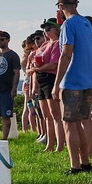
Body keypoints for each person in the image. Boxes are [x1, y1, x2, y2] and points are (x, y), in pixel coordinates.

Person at [55, 0, 92, 174]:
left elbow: (66, 53)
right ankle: (85, 162)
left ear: (61, 7)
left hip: (71, 81)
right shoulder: (86, 23)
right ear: (76, 4)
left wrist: (56, 84)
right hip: (87, 81)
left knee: (69, 124)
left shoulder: (68, 24)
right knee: (80, 121)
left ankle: (75, 166)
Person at [32, 19, 65, 152]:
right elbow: (36, 59)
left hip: (50, 77)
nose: (45, 31)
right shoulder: (45, 45)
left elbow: (54, 64)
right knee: (46, 116)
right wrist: (36, 67)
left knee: (55, 115)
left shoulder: (56, 44)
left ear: (56, 30)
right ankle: (49, 144)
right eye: (44, 29)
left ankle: (59, 145)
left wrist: (39, 69)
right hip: (42, 80)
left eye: (48, 28)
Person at [0, 31, 21, 140]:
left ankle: (4, 139)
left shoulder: (13, 55)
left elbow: (16, 72)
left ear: (8, 40)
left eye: (2, 39)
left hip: (7, 90)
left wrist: (14, 88)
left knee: (6, 115)